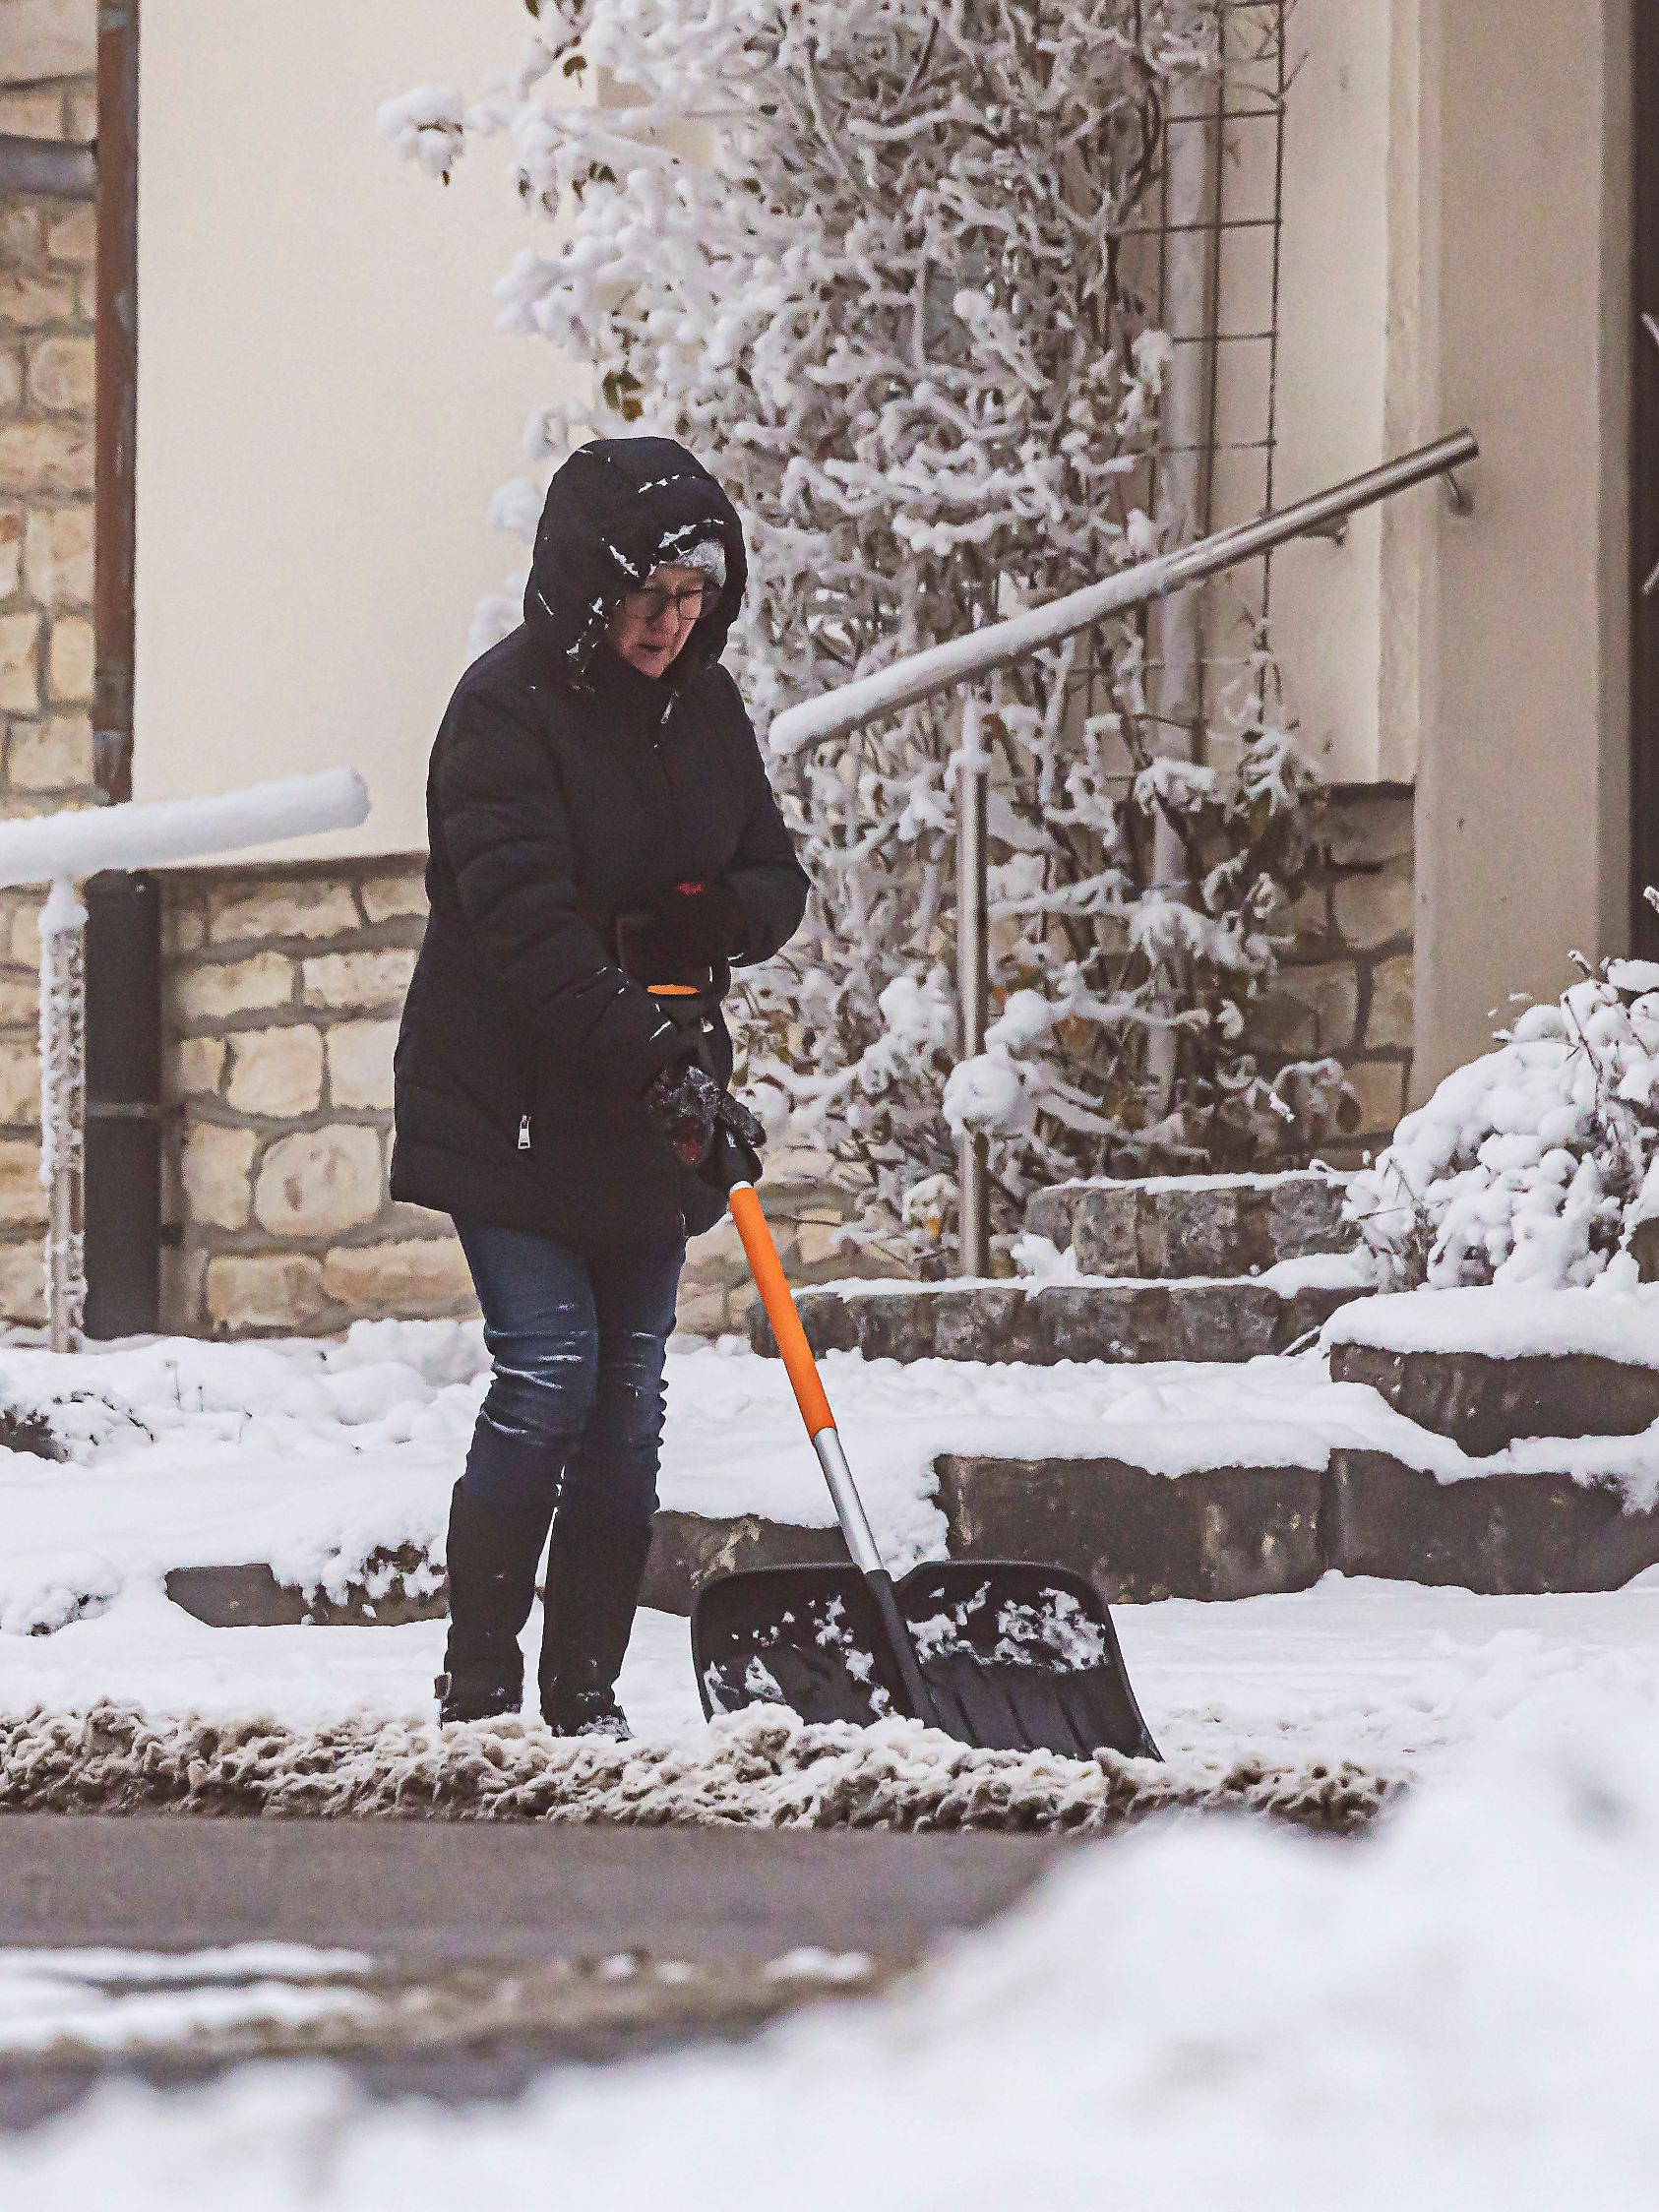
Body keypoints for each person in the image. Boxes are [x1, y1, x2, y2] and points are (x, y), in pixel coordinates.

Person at [391, 436, 810, 1736]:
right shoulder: (502, 715)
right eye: (647, 602)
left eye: (695, 600)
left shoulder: (705, 710)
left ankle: (585, 1699)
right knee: (551, 1372)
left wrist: (702, 926)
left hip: (648, 1095)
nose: (672, 628)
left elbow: (771, 882)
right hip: (513, 1097)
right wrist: (654, 1051)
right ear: (587, 592)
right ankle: (477, 1685)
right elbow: (527, 937)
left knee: (629, 1399)